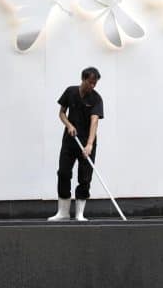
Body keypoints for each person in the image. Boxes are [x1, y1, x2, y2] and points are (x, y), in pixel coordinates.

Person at [47, 67, 103, 222]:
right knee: (63, 173)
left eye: (95, 83)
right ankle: (63, 212)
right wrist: (69, 125)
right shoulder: (70, 92)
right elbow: (62, 113)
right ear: (83, 79)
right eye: (91, 82)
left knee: (85, 178)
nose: (93, 86)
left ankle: (80, 214)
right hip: (70, 141)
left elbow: (94, 121)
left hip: (87, 143)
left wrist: (90, 144)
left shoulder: (96, 99)